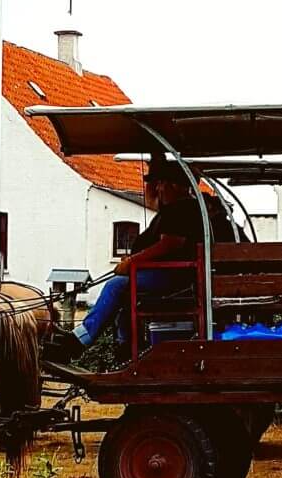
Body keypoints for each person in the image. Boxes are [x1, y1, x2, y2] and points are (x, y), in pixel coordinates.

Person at [45, 155, 234, 362]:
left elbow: (170, 244)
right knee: (123, 293)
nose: (158, 189)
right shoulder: (175, 210)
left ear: (173, 186)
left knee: (116, 286)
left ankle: (78, 343)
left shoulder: (182, 209)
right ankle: (124, 345)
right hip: (169, 274)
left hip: (174, 278)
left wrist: (132, 261)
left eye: (161, 183)